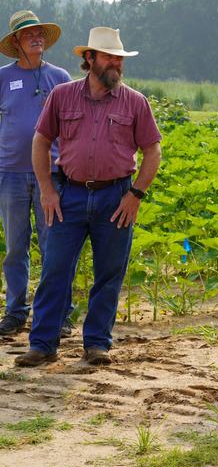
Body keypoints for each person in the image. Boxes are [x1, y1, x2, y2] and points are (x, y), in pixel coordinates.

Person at [16, 27, 162, 367]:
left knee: (109, 273)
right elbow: (40, 142)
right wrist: (47, 190)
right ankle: (42, 344)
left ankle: (97, 344)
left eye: (119, 59)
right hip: (69, 195)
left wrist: (136, 194)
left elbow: (152, 151)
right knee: (55, 269)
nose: (116, 64)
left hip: (116, 198)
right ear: (89, 58)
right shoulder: (62, 96)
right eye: (109, 57)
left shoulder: (135, 102)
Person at [0, 11, 72, 338]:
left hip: (51, 175)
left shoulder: (60, 77)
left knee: (53, 246)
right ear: (16, 41)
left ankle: (60, 313)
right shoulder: (4, 77)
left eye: (40, 33)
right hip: (10, 174)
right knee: (16, 246)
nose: (36, 37)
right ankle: (15, 312)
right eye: (29, 34)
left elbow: (74, 124)